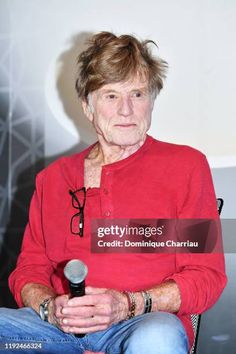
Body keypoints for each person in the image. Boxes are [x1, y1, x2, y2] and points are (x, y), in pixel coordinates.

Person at [0, 32, 227, 354]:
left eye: (137, 94)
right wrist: (52, 308)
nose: (126, 110)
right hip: (55, 332)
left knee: (157, 338)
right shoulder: (52, 179)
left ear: (151, 100)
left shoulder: (185, 166)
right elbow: (29, 271)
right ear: (88, 107)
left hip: (143, 322)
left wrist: (127, 304)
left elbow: (206, 277)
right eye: (110, 96)